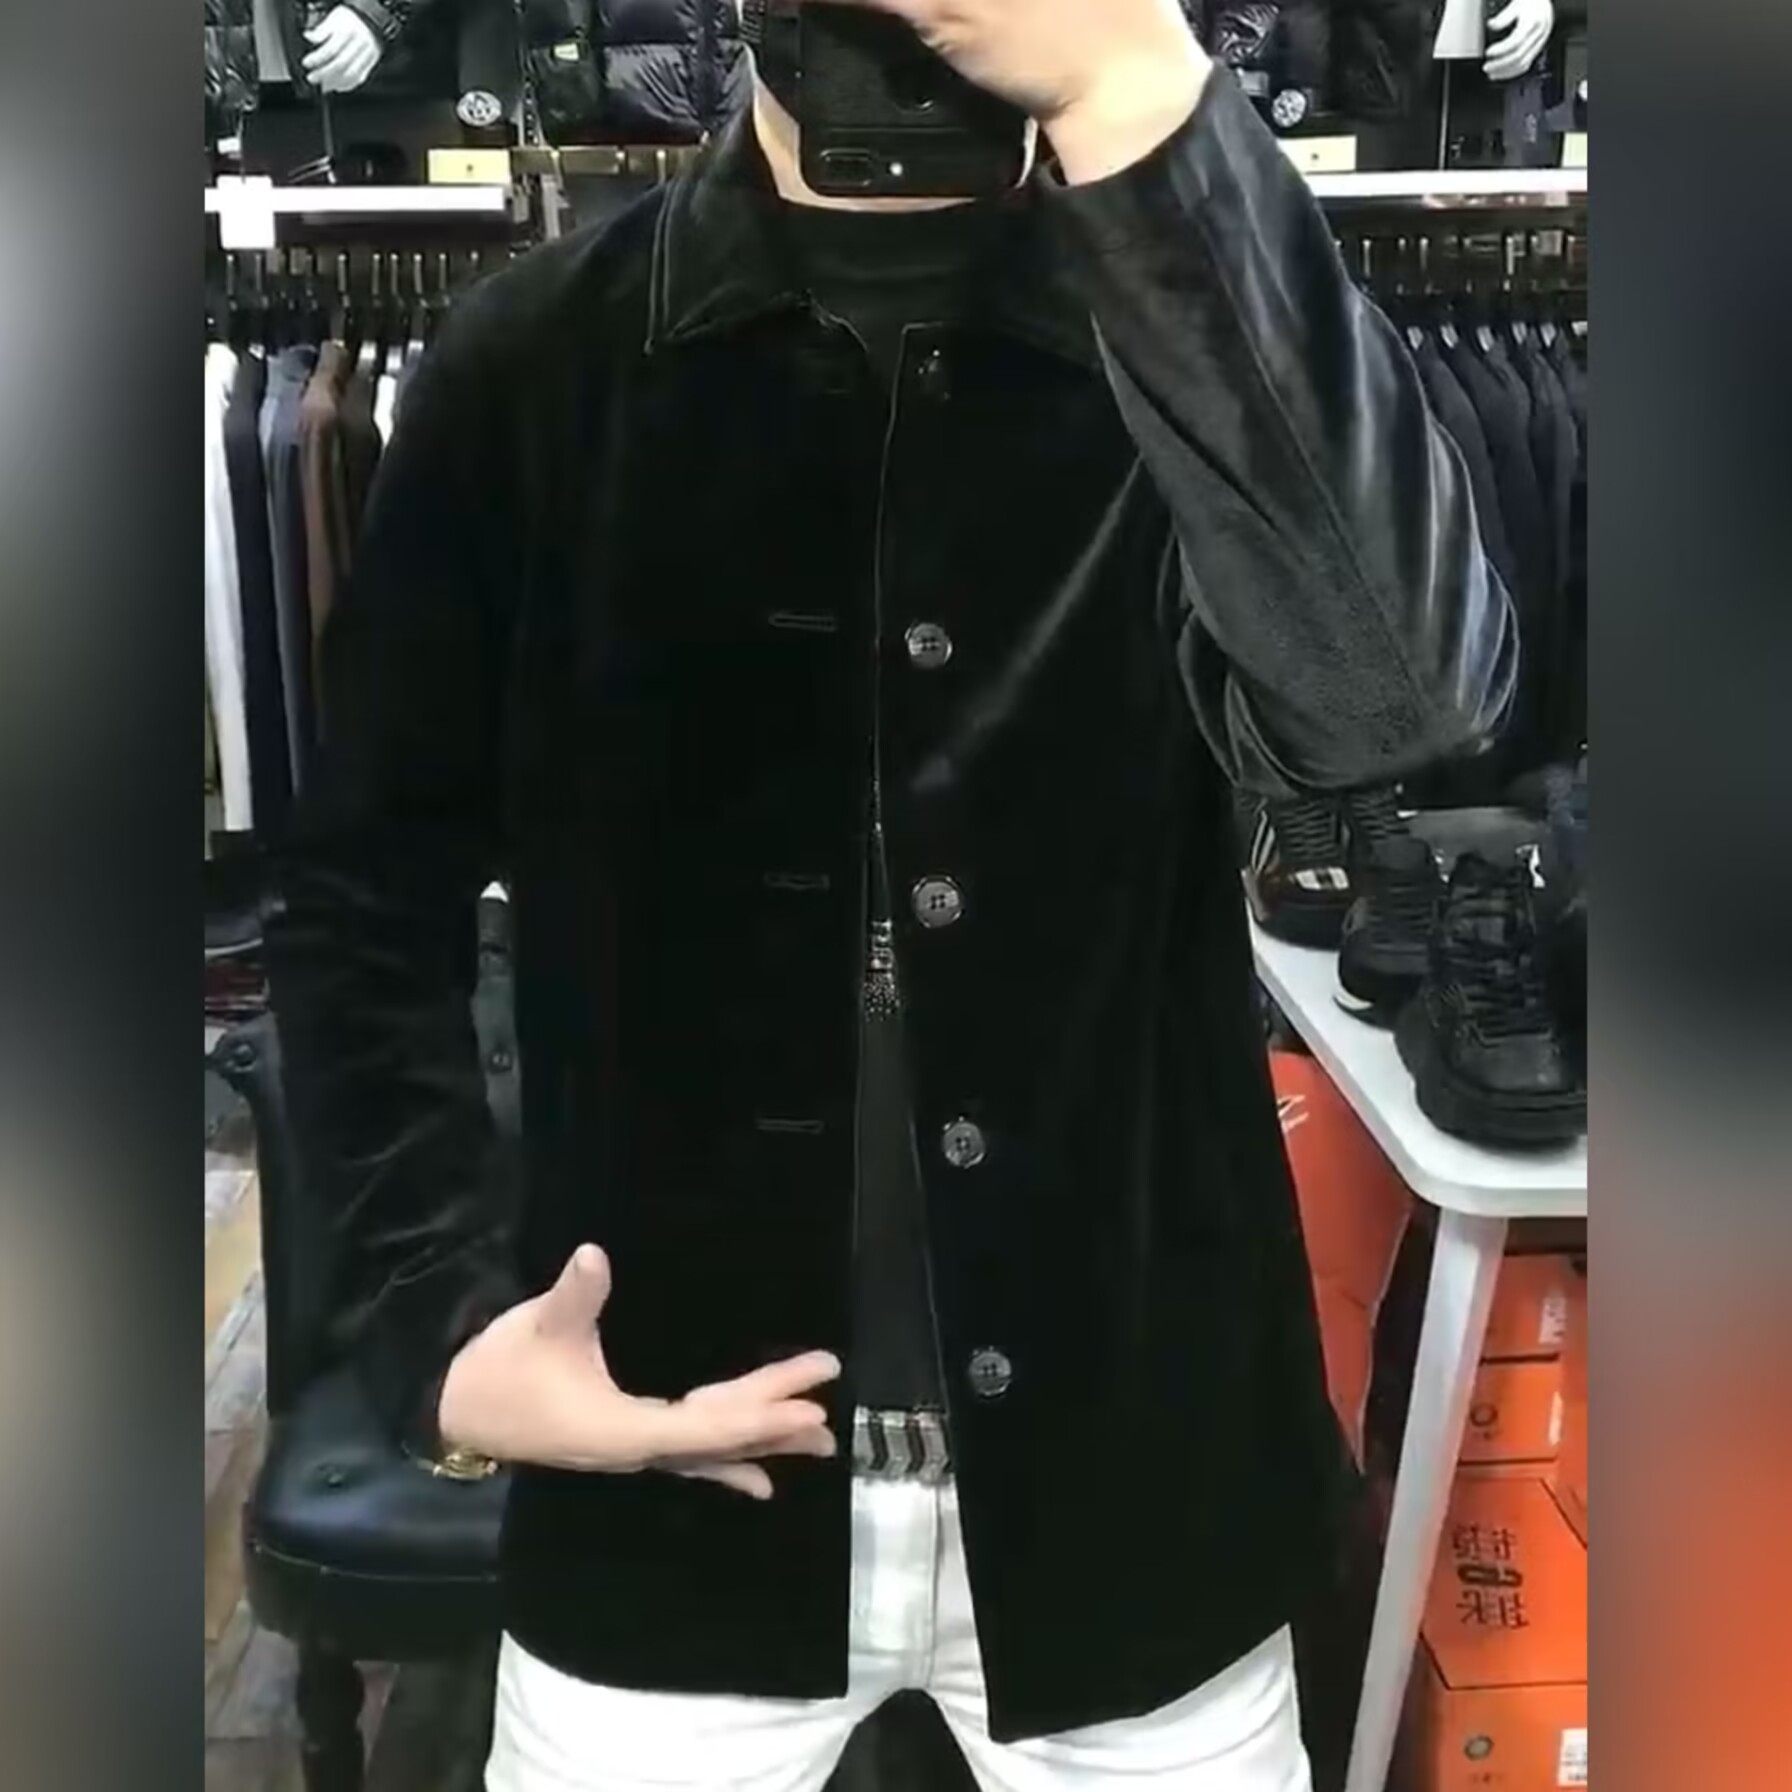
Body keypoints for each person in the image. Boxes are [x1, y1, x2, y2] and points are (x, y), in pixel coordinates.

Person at [267, 0, 1516, 1785]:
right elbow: (360, 896)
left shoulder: (1192, 348)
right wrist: (439, 1329)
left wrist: (1138, 87)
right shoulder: (539, 363)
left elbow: (1410, 709)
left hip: (1136, 1489)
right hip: (667, 1472)